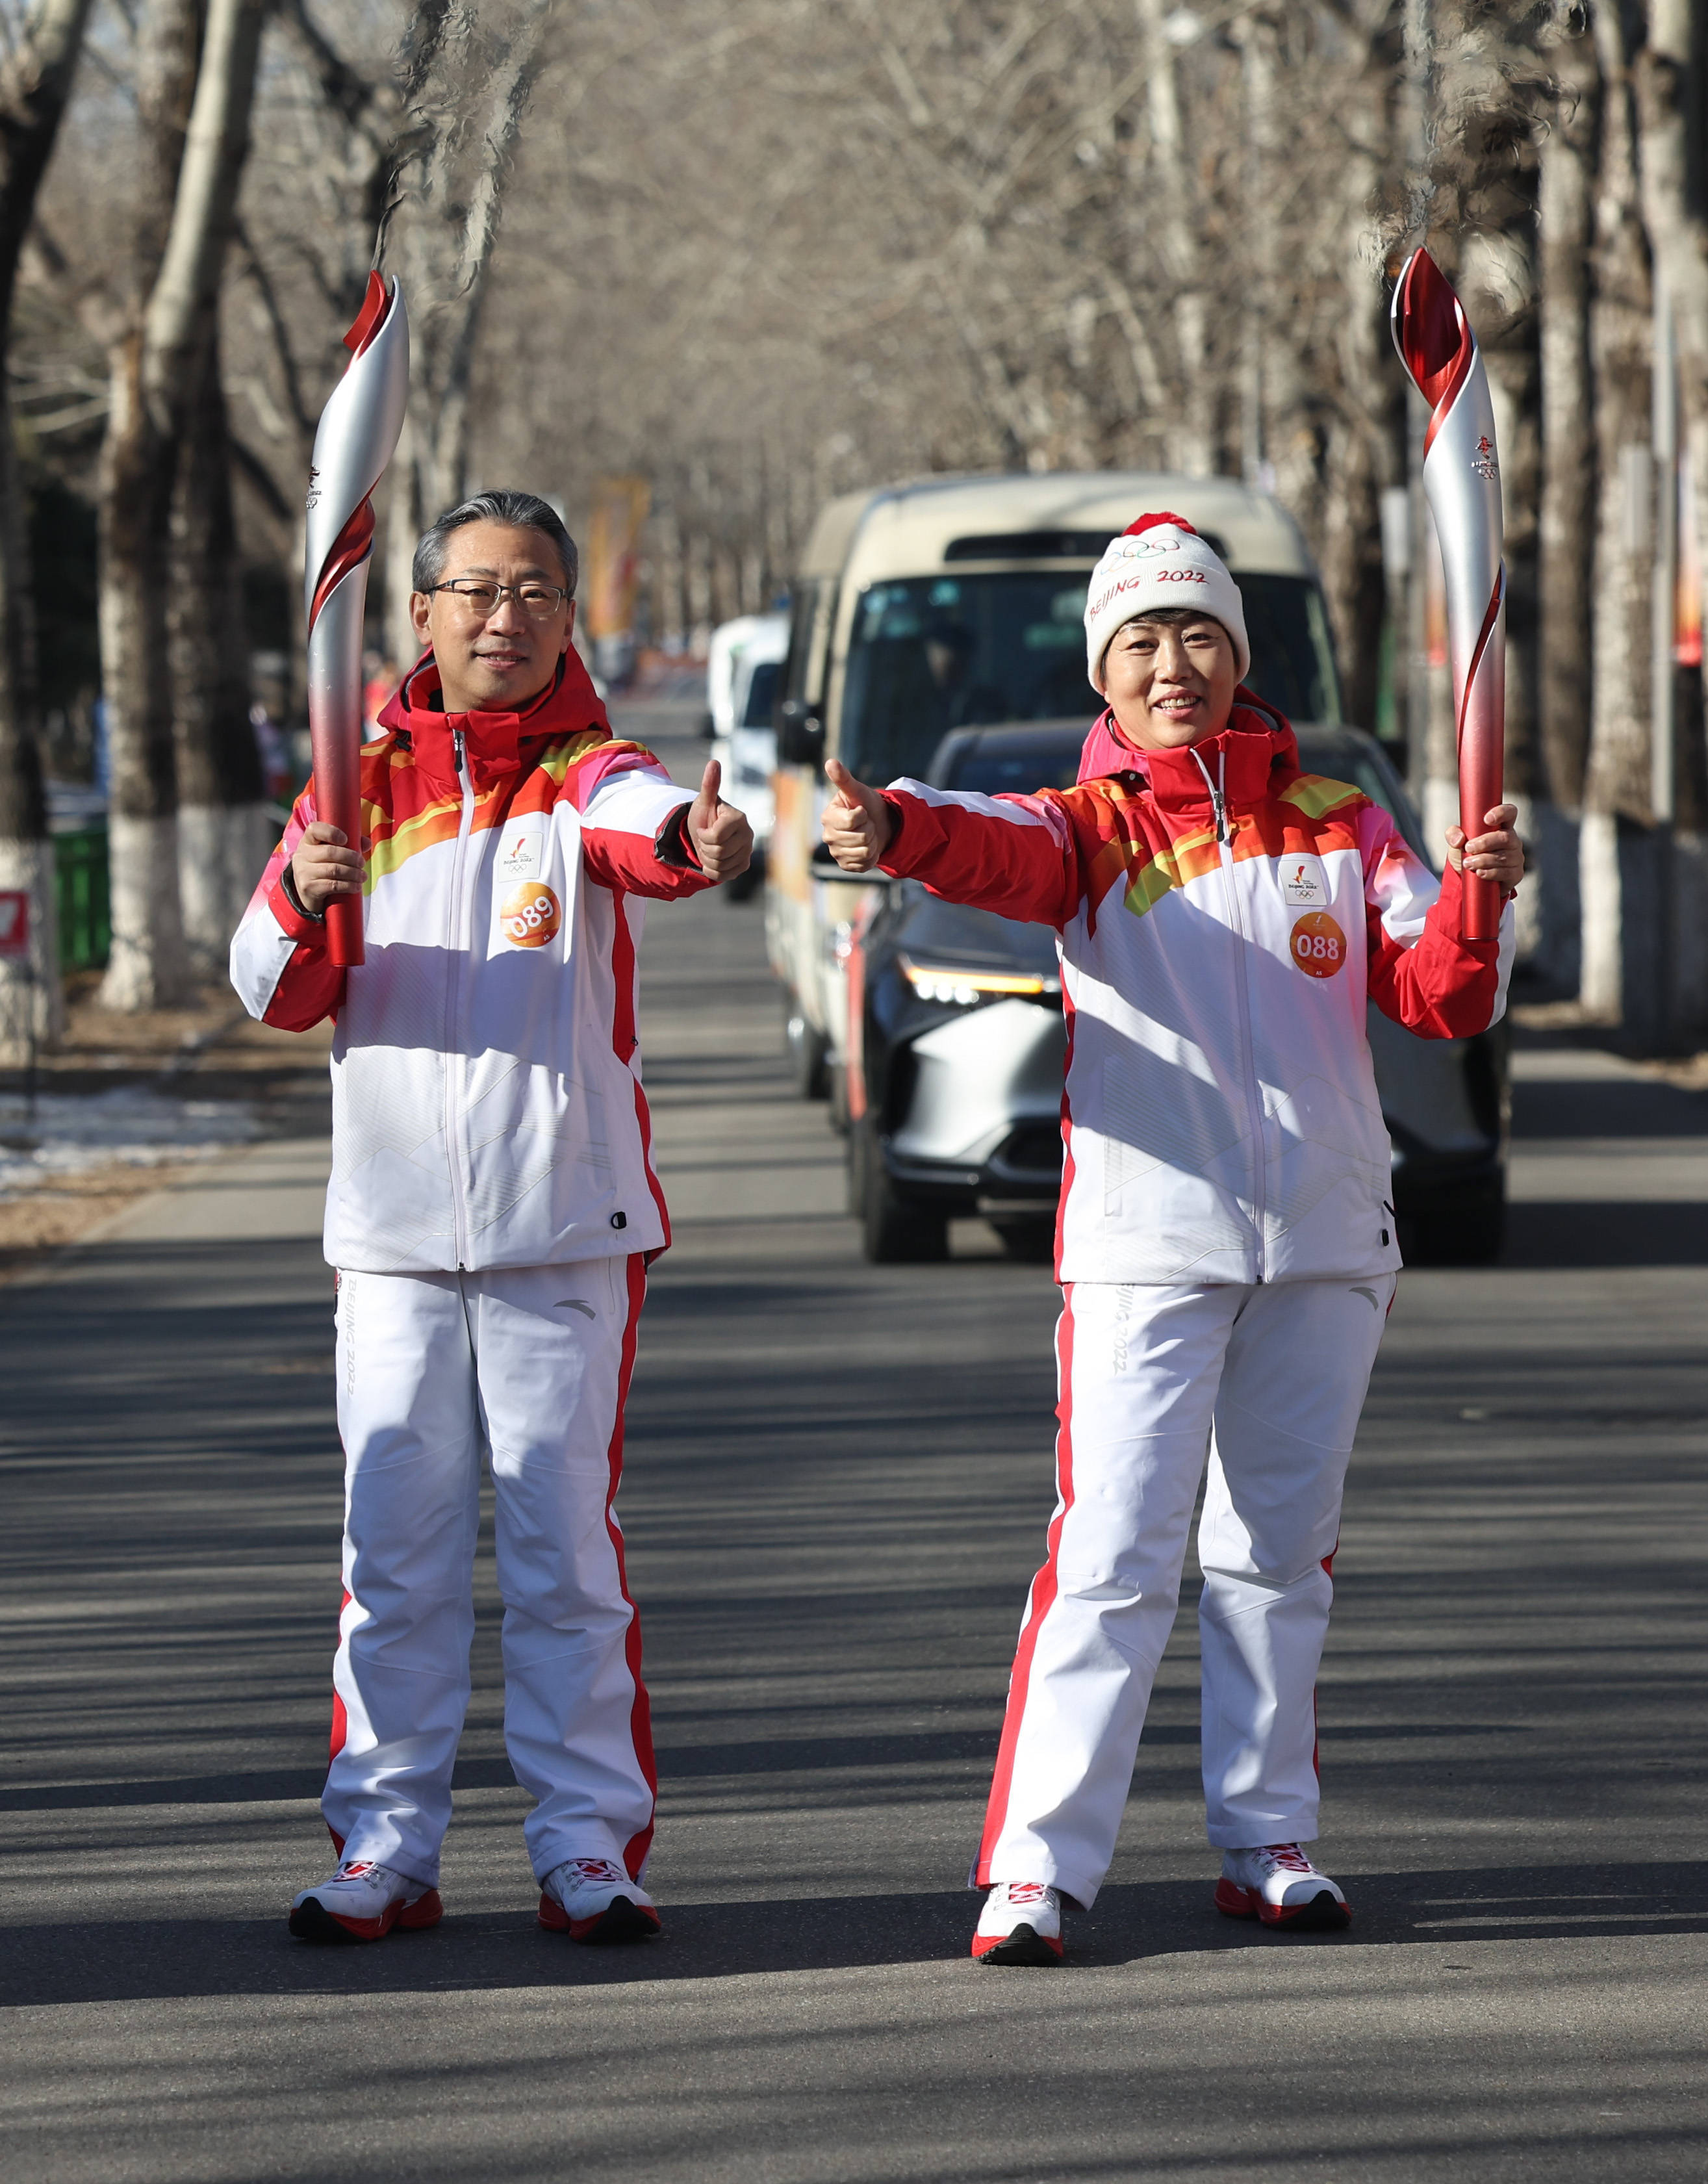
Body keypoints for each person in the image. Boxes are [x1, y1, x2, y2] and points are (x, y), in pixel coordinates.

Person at [820, 511, 1523, 1965]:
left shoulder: (1341, 817)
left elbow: (1440, 999)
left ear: (1237, 653)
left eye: (1195, 632)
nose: (1170, 663)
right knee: (1114, 1556)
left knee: (1279, 1557)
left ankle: (1266, 1838)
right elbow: (983, 847)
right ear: (1103, 671)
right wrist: (893, 822)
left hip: (1326, 1240)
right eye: (1138, 641)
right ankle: (1034, 1870)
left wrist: (1480, 893)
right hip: (1148, 1245)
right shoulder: (1088, 829)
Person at [230, 489, 752, 1948]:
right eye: (475, 591)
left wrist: (704, 839)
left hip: (559, 1231)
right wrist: (298, 898)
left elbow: (647, 832)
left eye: (532, 594)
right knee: (389, 1558)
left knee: (560, 1555)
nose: (502, 618)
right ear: (422, 614)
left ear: (566, 615)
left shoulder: (588, 770)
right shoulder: (353, 785)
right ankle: (384, 1845)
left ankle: (587, 1845)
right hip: (392, 1242)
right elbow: (273, 992)